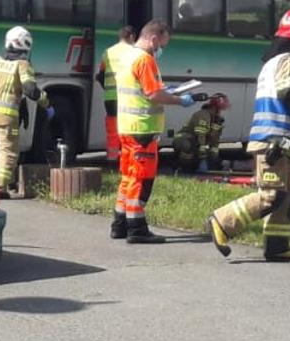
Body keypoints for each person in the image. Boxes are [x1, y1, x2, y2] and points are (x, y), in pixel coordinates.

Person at [208, 8, 290, 261]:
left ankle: (278, 246)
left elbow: (286, 100)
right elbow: (288, 94)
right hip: (274, 140)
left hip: (279, 140)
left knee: (289, 193)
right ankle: (222, 221)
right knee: (273, 194)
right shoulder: (288, 61)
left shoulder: (276, 62)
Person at [111, 20, 201, 244]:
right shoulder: (145, 59)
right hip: (143, 128)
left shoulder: (128, 57)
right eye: (162, 44)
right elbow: (153, 96)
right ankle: (137, 228)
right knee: (142, 179)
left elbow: (142, 90)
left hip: (127, 127)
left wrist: (164, 90)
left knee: (128, 177)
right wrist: (181, 100)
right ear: (153, 39)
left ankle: (119, 224)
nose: (161, 49)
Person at [0, 26, 48, 195]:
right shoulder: (22, 65)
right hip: (7, 117)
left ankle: (8, 184)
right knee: (9, 152)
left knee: (3, 149)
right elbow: (30, 90)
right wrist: (46, 102)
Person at [95, 25, 136, 163]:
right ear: (131, 37)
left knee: (112, 129)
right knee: (128, 129)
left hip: (110, 98)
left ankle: (112, 157)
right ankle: (126, 159)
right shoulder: (134, 52)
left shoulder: (108, 52)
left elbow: (100, 75)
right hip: (128, 97)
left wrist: (108, 88)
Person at [171, 93, 228, 173]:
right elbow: (201, 136)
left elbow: (215, 140)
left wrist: (214, 156)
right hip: (183, 139)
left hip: (196, 141)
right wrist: (203, 157)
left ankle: (193, 165)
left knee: (205, 156)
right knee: (188, 146)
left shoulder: (217, 120)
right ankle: (181, 166)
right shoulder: (203, 115)